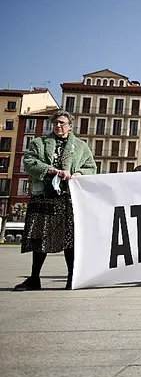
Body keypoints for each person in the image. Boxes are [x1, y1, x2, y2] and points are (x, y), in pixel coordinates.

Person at [14, 110, 97, 291]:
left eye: (62, 123)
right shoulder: (39, 143)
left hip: (69, 199)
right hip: (43, 196)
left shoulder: (81, 147)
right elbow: (28, 162)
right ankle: (34, 278)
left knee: (70, 239)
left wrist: (79, 173)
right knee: (39, 237)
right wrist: (53, 170)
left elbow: (91, 167)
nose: (59, 126)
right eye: (56, 123)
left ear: (70, 125)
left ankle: (72, 278)